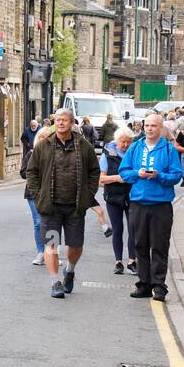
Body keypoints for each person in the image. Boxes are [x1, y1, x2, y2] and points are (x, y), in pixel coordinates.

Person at [24, 108, 100, 299]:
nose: (60, 123)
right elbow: (31, 171)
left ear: (72, 122)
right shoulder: (44, 146)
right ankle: (55, 282)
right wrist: (37, 195)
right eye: (57, 120)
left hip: (75, 207)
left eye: (64, 120)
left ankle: (70, 270)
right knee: (51, 244)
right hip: (51, 207)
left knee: (75, 245)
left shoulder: (84, 146)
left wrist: (88, 194)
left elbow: (94, 171)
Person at [119, 113, 183, 301]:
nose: (149, 129)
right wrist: (137, 173)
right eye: (147, 125)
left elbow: (177, 176)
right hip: (138, 203)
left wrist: (159, 176)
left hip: (161, 205)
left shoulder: (169, 149)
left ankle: (159, 286)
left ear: (161, 128)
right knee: (140, 244)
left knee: (159, 246)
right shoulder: (135, 147)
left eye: (154, 126)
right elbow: (124, 172)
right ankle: (143, 284)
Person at [99, 129, 137, 276]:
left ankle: (132, 261)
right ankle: (118, 262)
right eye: (123, 141)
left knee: (133, 229)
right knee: (117, 229)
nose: (126, 144)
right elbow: (101, 180)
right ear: (116, 141)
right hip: (113, 197)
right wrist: (117, 178)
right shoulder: (107, 155)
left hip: (131, 196)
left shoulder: (134, 154)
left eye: (128, 141)